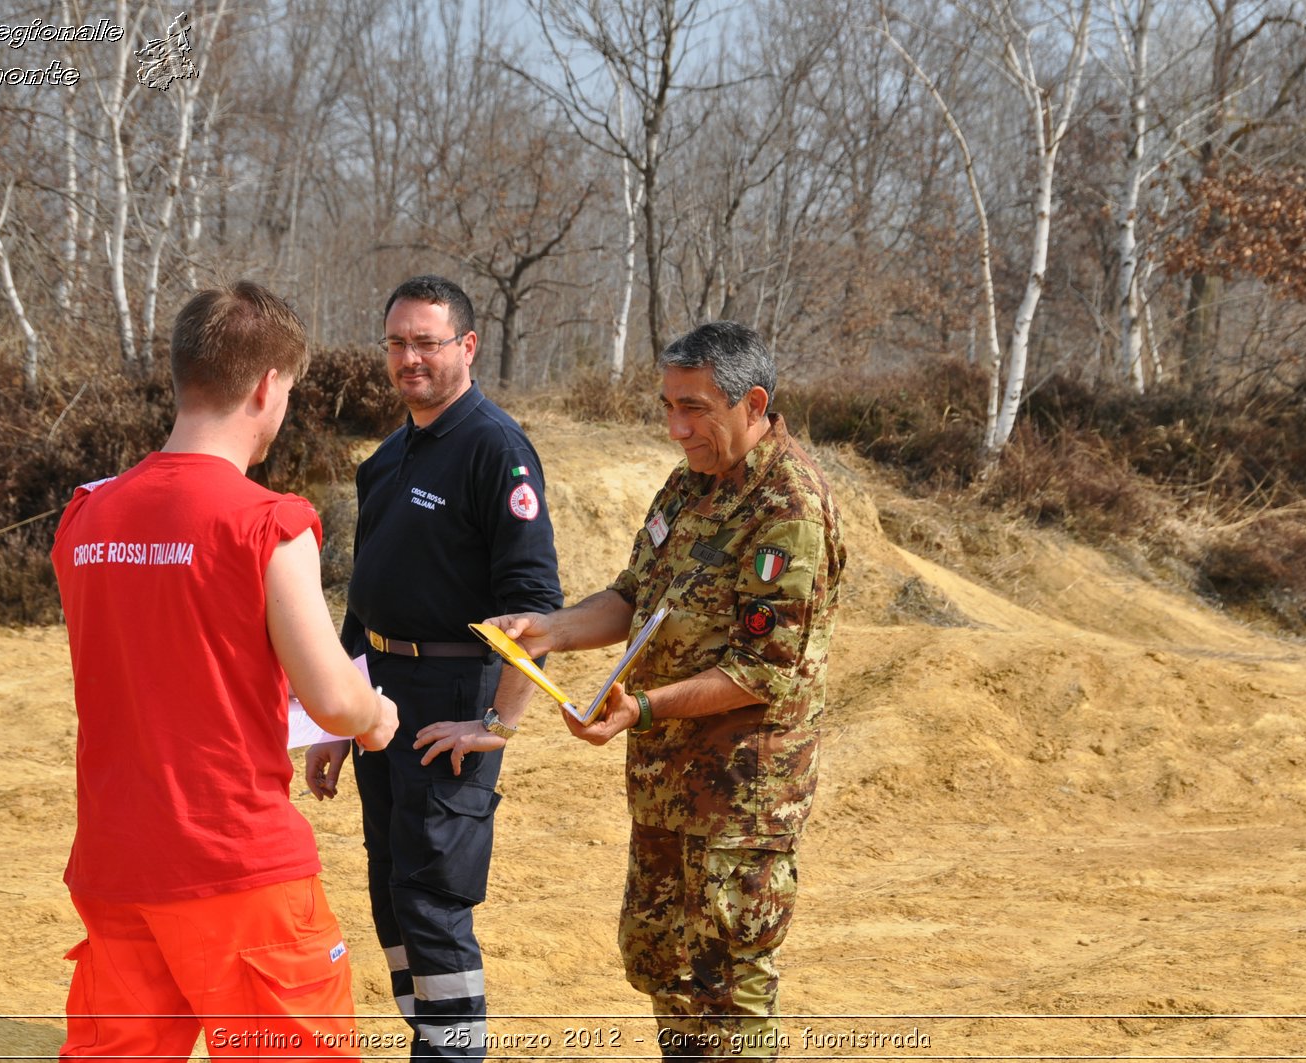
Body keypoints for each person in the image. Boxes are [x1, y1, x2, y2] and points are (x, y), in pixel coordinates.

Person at [50, 280, 399, 1061]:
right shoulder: (267, 522)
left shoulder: (87, 515)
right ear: (267, 386)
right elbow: (335, 702)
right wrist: (378, 716)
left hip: (115, 863)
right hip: (237, 866)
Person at [488, 321, 844, 1059]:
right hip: (668, 789)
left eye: (695, 409)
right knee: (667, 970)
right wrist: (550, 630)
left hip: (738, 805)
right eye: (667, 406)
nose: (677, 428)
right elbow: (634, 595)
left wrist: (641, 707)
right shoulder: (689, 484)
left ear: (752, 403)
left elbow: (763, 669)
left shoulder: (790, 506)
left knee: (726, 987)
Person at [306, 274, 562, 1060]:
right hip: (382, 696)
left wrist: (499, 722)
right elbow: (365, 606)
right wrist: (336, 719)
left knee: (433, 895)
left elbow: (535, 605)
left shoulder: (497, 450)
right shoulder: (385, 459)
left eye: (426, 341)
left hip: (453, 698)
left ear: (468, 347)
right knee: (391, 891)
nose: (409, 358)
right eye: (397, 343)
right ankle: (432, 1046)